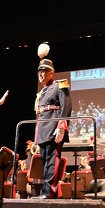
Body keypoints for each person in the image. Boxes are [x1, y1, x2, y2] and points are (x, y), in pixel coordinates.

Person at [32, 49, 72, 199]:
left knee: (52, 161)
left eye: (44, 71)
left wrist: (62, 127)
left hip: (54, 127)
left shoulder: (59, 85)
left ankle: (50, 192)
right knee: (44, 162)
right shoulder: (41, 92)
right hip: (43, 128)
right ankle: (45, 191)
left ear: (51, 73)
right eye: (39, 72)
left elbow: (66, 106)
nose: (41, 74)